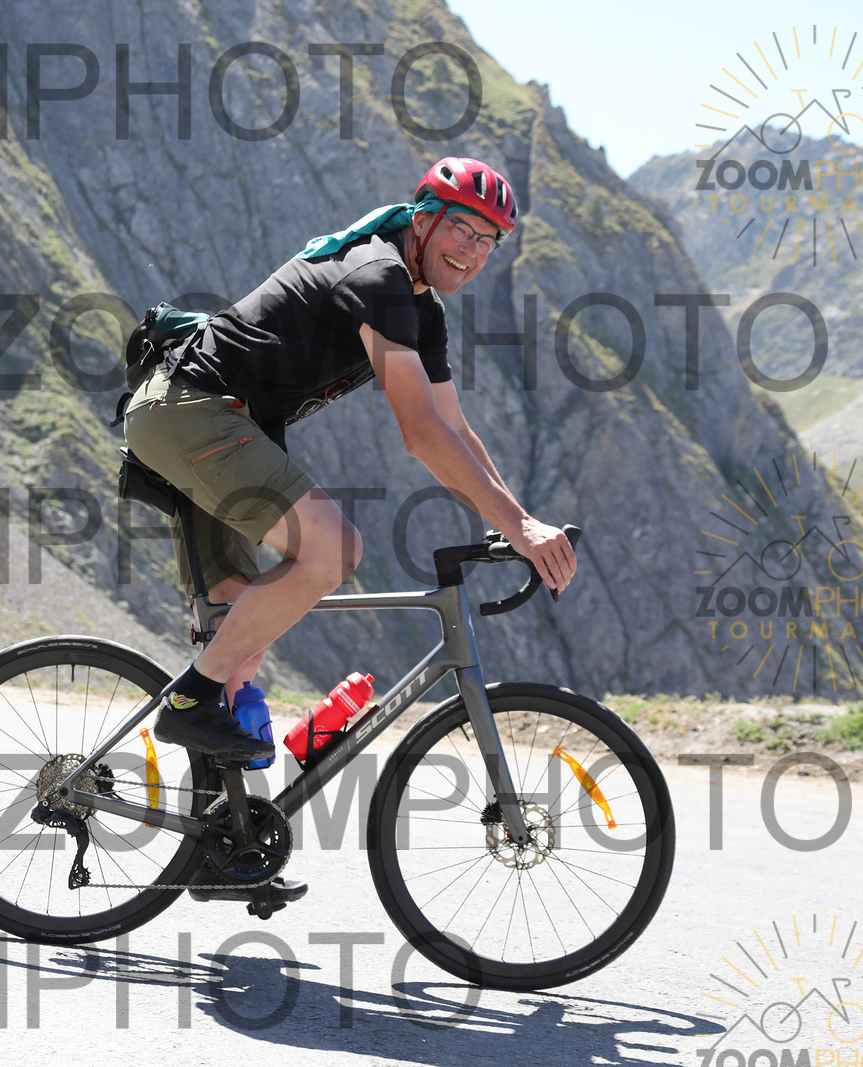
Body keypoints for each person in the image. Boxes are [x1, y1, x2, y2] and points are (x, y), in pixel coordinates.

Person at [122, 157, 578, 899]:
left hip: (223, 423)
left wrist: (519, 520)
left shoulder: (422, 311)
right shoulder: (377, 276)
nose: (471, 249)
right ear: (423, 217)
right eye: (462, 228)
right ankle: (185, 701)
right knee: (333, 550)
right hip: (191, 411)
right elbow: (421, 435)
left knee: (241, 637)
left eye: (488, 240)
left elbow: (455, 428)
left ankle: (219, 846)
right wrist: (521, 529)